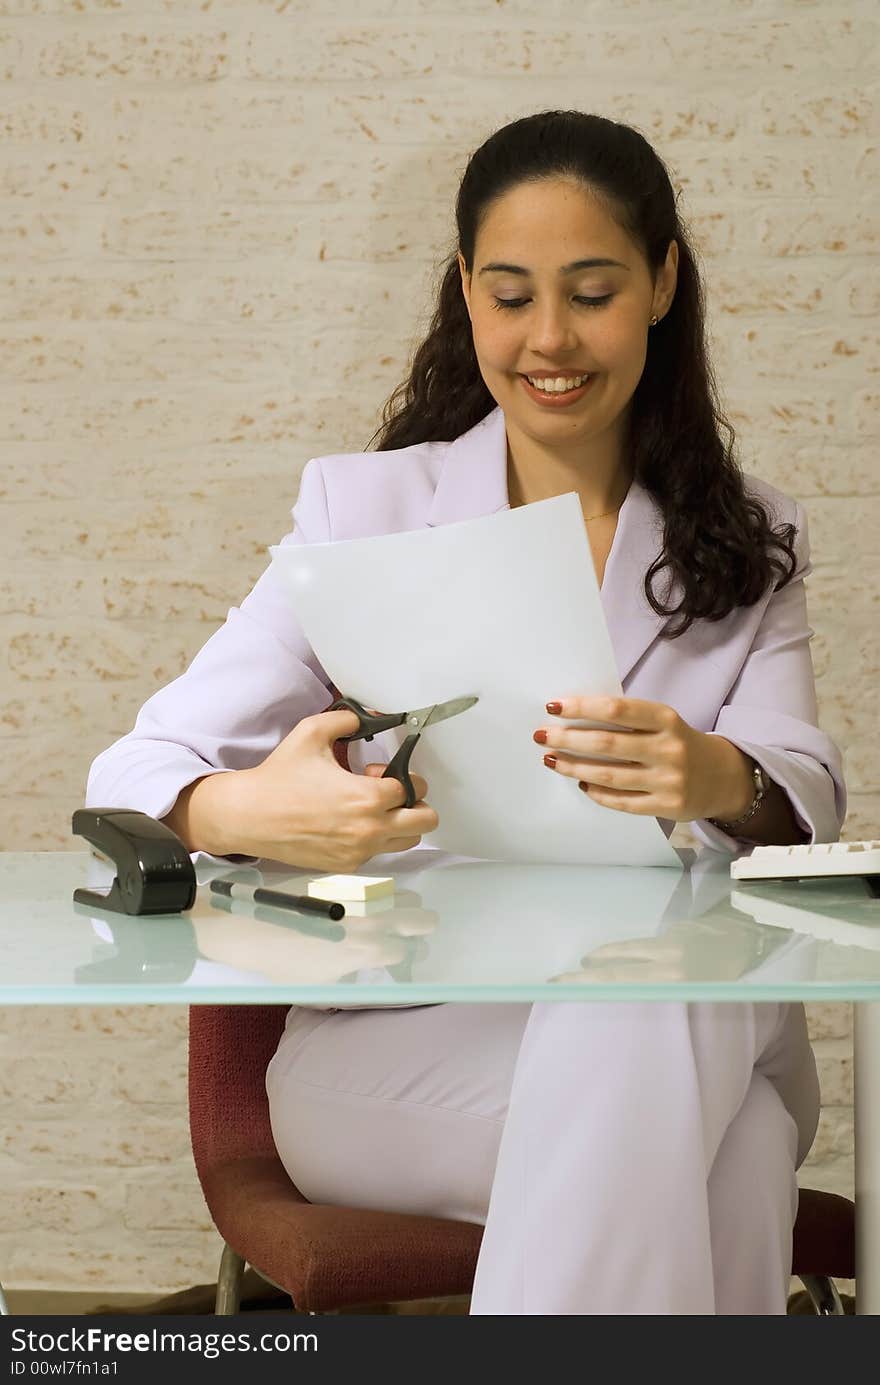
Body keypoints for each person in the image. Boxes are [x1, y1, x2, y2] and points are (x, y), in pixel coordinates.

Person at [86, 110, 846, 1314]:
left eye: (592, 291)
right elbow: (133, 769)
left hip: (681, 1016)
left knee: (660, 1003)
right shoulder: (364, 511)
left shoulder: (752, 538)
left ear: (660, 281)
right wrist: (254, 805)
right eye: (510, 295)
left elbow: (804, 783)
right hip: (404, 1052)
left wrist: (720, 778)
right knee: (738, 1149)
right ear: (464, 295)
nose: (549, 338)